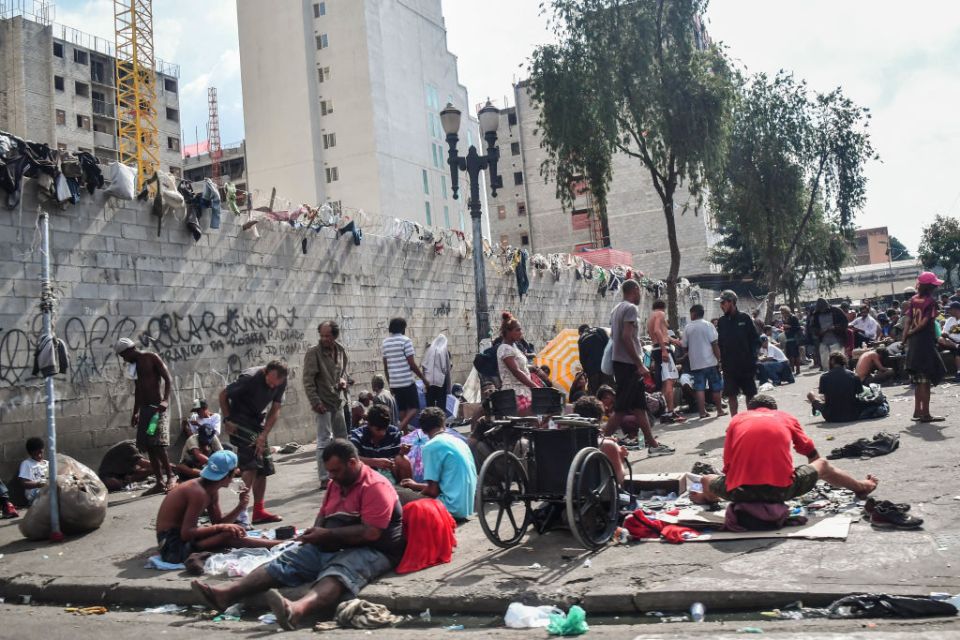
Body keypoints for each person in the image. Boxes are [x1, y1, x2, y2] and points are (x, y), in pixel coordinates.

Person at [191, 440, 406, 631]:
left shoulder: (375, 486)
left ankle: (297, 610)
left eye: (336, 470)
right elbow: (323, 514)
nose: (331, 476)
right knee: (287, 561)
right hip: (334, 541)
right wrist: (314, 534)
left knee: (338, 572)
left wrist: (327, 534)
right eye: (329, 471)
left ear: (352, 463)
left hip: (374, 549)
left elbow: (371, 532)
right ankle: (227, 594)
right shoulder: (335, 483)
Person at [691, 395, 878, 505]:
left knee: (707, 479)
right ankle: (862, 487)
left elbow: (728, 466)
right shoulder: (784, 417)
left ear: (750, 409)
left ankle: (706, 498)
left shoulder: (737, 420)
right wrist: (815, 476)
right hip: (781, 491)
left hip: (739, 493)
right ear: (774, 409)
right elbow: (811, 454)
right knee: (823, 465)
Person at [155, 450, 280, 565]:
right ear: (227, 476)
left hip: (181, 538)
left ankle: (283, 544)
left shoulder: (211, 490)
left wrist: (240, 506)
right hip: (171, 547)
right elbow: (186, 534)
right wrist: (222, 527)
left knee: (230, 532)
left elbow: (218, 522)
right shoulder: (198, 493)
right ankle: (283, 545)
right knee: (228, 536)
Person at [604, 279, 672, 456]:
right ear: (634, 289)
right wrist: (639, 363)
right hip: (628, 365)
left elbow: (620, 337)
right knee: (620, 409)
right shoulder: (630, 309)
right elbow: (626, 337)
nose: (641, 294)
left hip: (622, 363)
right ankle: (599, 442)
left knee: (639, 407)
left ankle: (653, 445)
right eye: (639, 290)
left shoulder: (617, 309)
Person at [219, 360, 288, 525]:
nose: (272, 387)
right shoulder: (249, 378)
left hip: (258, 422)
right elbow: (223, 395)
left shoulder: (282, 380)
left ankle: (258, 511)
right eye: (270, 383)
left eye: (275, 385)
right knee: (250, 465)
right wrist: (227, 419)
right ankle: (241, 514)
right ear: (265, 371)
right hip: (239, 421)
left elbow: (276, 408)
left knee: (263, 467)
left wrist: (264, 434)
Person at [115, 338, 175, 495]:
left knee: (157, 444)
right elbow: (138, 390)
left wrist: (165, 400)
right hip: (146, 410)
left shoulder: (151, 357)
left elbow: (168, 379)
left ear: (130, 350)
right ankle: (159, 482)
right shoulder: (133, 367)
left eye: (123, 355)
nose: (124, 359)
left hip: (157, 410)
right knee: (148, 445)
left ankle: (170, 476)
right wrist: (136, 411)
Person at [399, 407, 477, 521]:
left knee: (399, 496)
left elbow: (432, 491)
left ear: (423, 431)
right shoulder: (459, 441)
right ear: (443, 424)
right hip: (466, 507)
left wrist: (416, 493)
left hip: (450, 508)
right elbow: (446, 485)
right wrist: (415, 485)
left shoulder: (431, 446)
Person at [303, 321, 350, 487]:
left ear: (335, 336)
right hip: (323, 402)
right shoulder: (314, 353)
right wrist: (315, 402)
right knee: (324, 441)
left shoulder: (340, 351)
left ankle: (345, 472)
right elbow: (308, 380)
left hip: (337, 401)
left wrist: (344, 381)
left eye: (327, 336)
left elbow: (343, 373)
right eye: (322, 335)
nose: (324, 339)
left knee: (342, 439)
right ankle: (324, 478)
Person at [903, 272, 948, 422]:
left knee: (918, 379)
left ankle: (917, 411)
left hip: (914, 343)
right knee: (925, 380)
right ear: (930, 286)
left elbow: (908, 320)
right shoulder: (930, 302)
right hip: (924, 343)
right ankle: (925, 414)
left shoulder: (913, 300)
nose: (936, 287)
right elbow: (923, 323)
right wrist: (911, 333)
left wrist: (906, 336)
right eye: (934, 285)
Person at [716, 290, 761, 416]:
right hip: (729, 366)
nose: (721, 305)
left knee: (750, 394)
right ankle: (735, 423)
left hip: (746, 365)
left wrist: (753, 357)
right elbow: (720, 343)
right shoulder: (722, 322)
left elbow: (756, 340)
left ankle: (752, 422)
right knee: (731, 395)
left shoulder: (745, 318)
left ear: (731, 302)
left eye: (723, 303)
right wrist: (720, 361)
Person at [681, 303, 726, 419]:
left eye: (691, 313)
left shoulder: (688, 327)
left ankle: (702, 412)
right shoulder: (709, 325)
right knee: (716, 387)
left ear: (694, 313)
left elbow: (684, 346)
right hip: (710, 362)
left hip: (696, 364)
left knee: (699, 388)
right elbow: (715, 344)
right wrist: (719, 359)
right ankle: (720, 410)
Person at [382, 318, 427, 432]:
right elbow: (411, 364)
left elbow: (385, 367)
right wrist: (423, 379)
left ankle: (405, 435)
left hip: (395, 382)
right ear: (402, 328)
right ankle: (400, 428)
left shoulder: (385, 343)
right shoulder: (406, 341)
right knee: (415, 408)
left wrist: (390, 384)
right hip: (407, 381)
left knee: (402, 409)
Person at [350, 404, 412, 484]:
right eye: (378, 429)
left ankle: (407, 487)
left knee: (403, 460)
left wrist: (402, 452)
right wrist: (375, 462)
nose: (382, 433)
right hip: (366, 476)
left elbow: (396, 456)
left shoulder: (393, 432)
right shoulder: (358, 435)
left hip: (389, 474)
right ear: (369, 425)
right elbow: (352, 459)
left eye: (384, 429)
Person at [647, 299, 685, 423]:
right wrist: (664, 349)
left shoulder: (651, 317)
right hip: (663, 349)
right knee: (670, 381)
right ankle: (670, 412)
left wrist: (674, 341)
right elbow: (658, 331)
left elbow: (659, 333)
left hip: (656, 349)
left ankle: (666, 411)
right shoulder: (661, 314)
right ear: (663, 307)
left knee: (665, 382)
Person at [496, 312, 540, 415]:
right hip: (514, 392)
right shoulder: (505, 349)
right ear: (508, 332)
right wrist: (535, 386)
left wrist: (532, 368)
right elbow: (516, 371)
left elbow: (521, 367)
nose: (521, 332)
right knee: (534, 419)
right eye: (518, 330)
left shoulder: (514, 347)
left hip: (523, 389)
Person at [806, 352, 864, 423]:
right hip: (853, 414)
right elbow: (860, 394)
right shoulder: (854, 375)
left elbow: (825, 397)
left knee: (810, 394)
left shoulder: (824, 377)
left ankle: (815, 406)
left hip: (831, 416)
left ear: (831, 362)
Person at [810, 299, 848, 371]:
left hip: (837, 340)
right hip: (823, 341)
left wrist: (835, 327)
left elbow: (845, 323)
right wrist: (819, 332)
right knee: (825, 363)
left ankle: (841, 375)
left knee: (838, 361)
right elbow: (812, 327)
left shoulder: (837, 311)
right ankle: (828, 377)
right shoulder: (816, 315)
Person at [577, 324, 612, 394]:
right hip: (605, 367)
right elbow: (609, 346)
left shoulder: (581, 338)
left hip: (592, 371)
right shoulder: (600, 330)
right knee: (609, 390)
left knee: (595, 392)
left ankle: (596, 404)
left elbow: (582, 359)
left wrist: (586, 372)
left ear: (580, 332)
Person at [423, 334, 452, 408]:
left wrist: (424, 381)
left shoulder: (429, 350)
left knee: (430, 404)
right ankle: (440, 417)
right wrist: (449, 388)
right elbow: (447, 369)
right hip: (440, 381)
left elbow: (424, 366)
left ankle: (429, 416)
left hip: (428, 381)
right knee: (441, 404)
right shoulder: (444, 350)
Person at [19, 437, 49, 505]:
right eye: (36, 454)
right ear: (30, 453)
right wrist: (38, 484)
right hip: (34, 493)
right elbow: (24, 483)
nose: (39, 455)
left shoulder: (48, 463)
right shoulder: (26, 463)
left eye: (41, 452)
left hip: (48, 489)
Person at [938, 300, 960, 382]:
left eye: (950, 309)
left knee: (958, 352)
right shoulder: (950, 319)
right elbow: (944, 332)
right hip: (950, 342)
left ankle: (959, 372)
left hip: (958, 341)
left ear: (956, 310)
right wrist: (945, 334)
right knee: (939, 339)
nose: (948, 311)